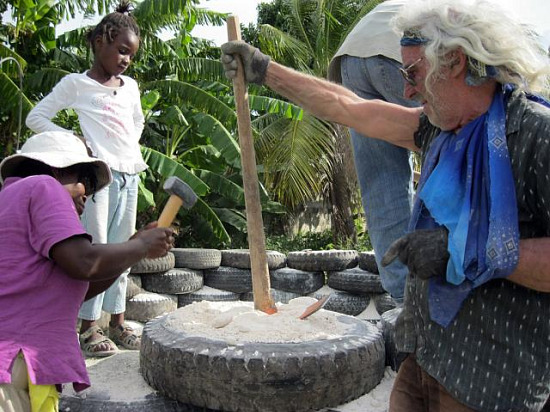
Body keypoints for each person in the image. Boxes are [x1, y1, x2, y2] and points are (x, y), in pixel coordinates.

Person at [220, 0, 550, 409]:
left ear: (454, 63)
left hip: (490, 382)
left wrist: (463, 249)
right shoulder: (439, 131)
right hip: (426, 360)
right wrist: (266, 71)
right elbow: (349, 108)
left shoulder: (535, 136)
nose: (408, 90)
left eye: (413, 74)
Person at [0, 131, 173, 412]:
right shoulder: (45, 186)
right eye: (86, 180)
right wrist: (141, 246)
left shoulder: (11, 199)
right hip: (14, 356)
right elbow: (83, 262)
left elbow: (76, 284)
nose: (87, 196)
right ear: (58, 169)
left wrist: (130, 248)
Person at [26, 2, 146, 356]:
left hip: (131, 173)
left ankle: (118, 322)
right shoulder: (76, 84)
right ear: (98, 43)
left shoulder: (131, 87)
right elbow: (38, 117)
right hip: (99, 179)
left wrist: (127, 147)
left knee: (124, 251)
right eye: (122, 50)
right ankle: (89, 328)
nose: (126, 60)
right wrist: (75, 142)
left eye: (131, 54)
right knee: (98, 249)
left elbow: (137, 122)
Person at [327, 0, 417, 303]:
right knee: (459, 156)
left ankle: (404, 300)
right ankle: (445, 294)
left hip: (353, 56)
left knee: (383, 186)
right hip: (403, 53)